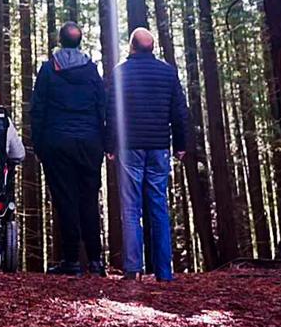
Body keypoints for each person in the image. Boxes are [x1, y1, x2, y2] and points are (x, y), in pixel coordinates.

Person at [106, 27, 189, 282]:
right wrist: (181, 145)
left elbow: (111, 112)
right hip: (159, 147)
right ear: (152, 48)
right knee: (158, 206)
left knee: (131, 208)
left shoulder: (120, 73)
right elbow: (179, 111)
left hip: (130, 147)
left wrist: (110, 145)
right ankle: (164, 272)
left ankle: (134, 270)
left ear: (132, 47)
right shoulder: (167, 72)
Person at [30, 21, 106, 276]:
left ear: (60, 41)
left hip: (57, 142)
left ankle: (72, 261)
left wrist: (39, 144)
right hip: (89, 143)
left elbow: (37, 109)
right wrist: (104, 142)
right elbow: (102, 107)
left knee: (65, 201)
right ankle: (95, 261)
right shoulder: (91, 70)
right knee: (88, 199)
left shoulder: (49, 69)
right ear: (79, 41)